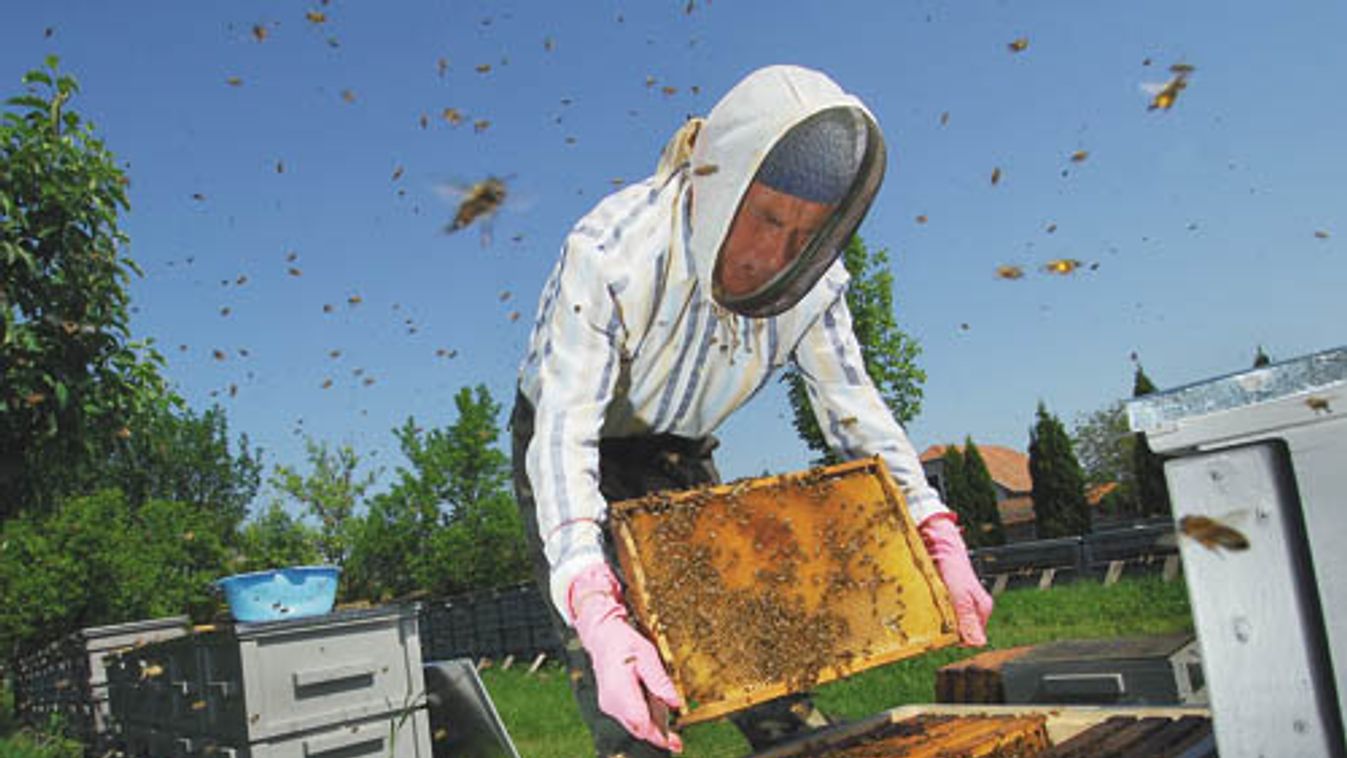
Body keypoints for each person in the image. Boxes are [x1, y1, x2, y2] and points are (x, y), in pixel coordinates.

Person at [511, 64, 993, 757]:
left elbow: (854, 410)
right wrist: (591, 601)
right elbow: (564, 432)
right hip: (567, 444)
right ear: (720, 184)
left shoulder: (816, 286)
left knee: (748, 650)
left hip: (677, 447)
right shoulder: (611, 251)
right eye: (767, 218)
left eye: (804, 234)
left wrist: (931, 524)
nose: (774, 255)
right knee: (624, 689)